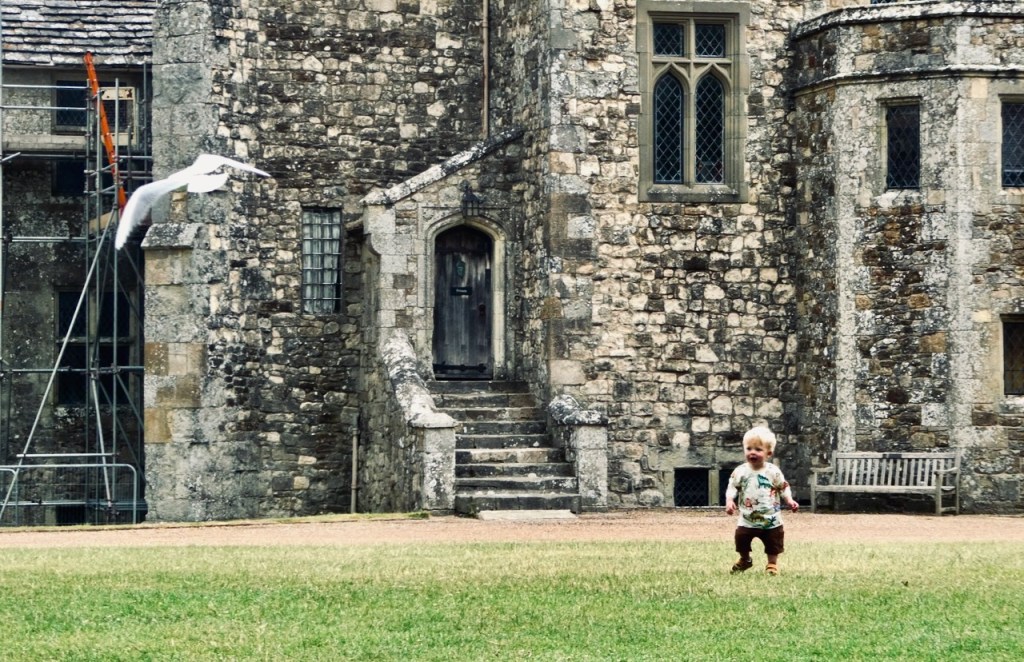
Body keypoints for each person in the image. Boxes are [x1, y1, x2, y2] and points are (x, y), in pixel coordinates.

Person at [724, 426, 798, 576]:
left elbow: (783, 487)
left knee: (773, 542)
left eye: (758, 449)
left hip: (771, 518)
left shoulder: (773, 472)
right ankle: (745, 559)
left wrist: (789, 500)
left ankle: (772, 564)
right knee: (741, 539)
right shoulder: (741, 471)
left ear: (768, 453)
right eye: (748, 448)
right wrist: (729, 500)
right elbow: (732, 486)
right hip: (747, 518)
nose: (752, 452)